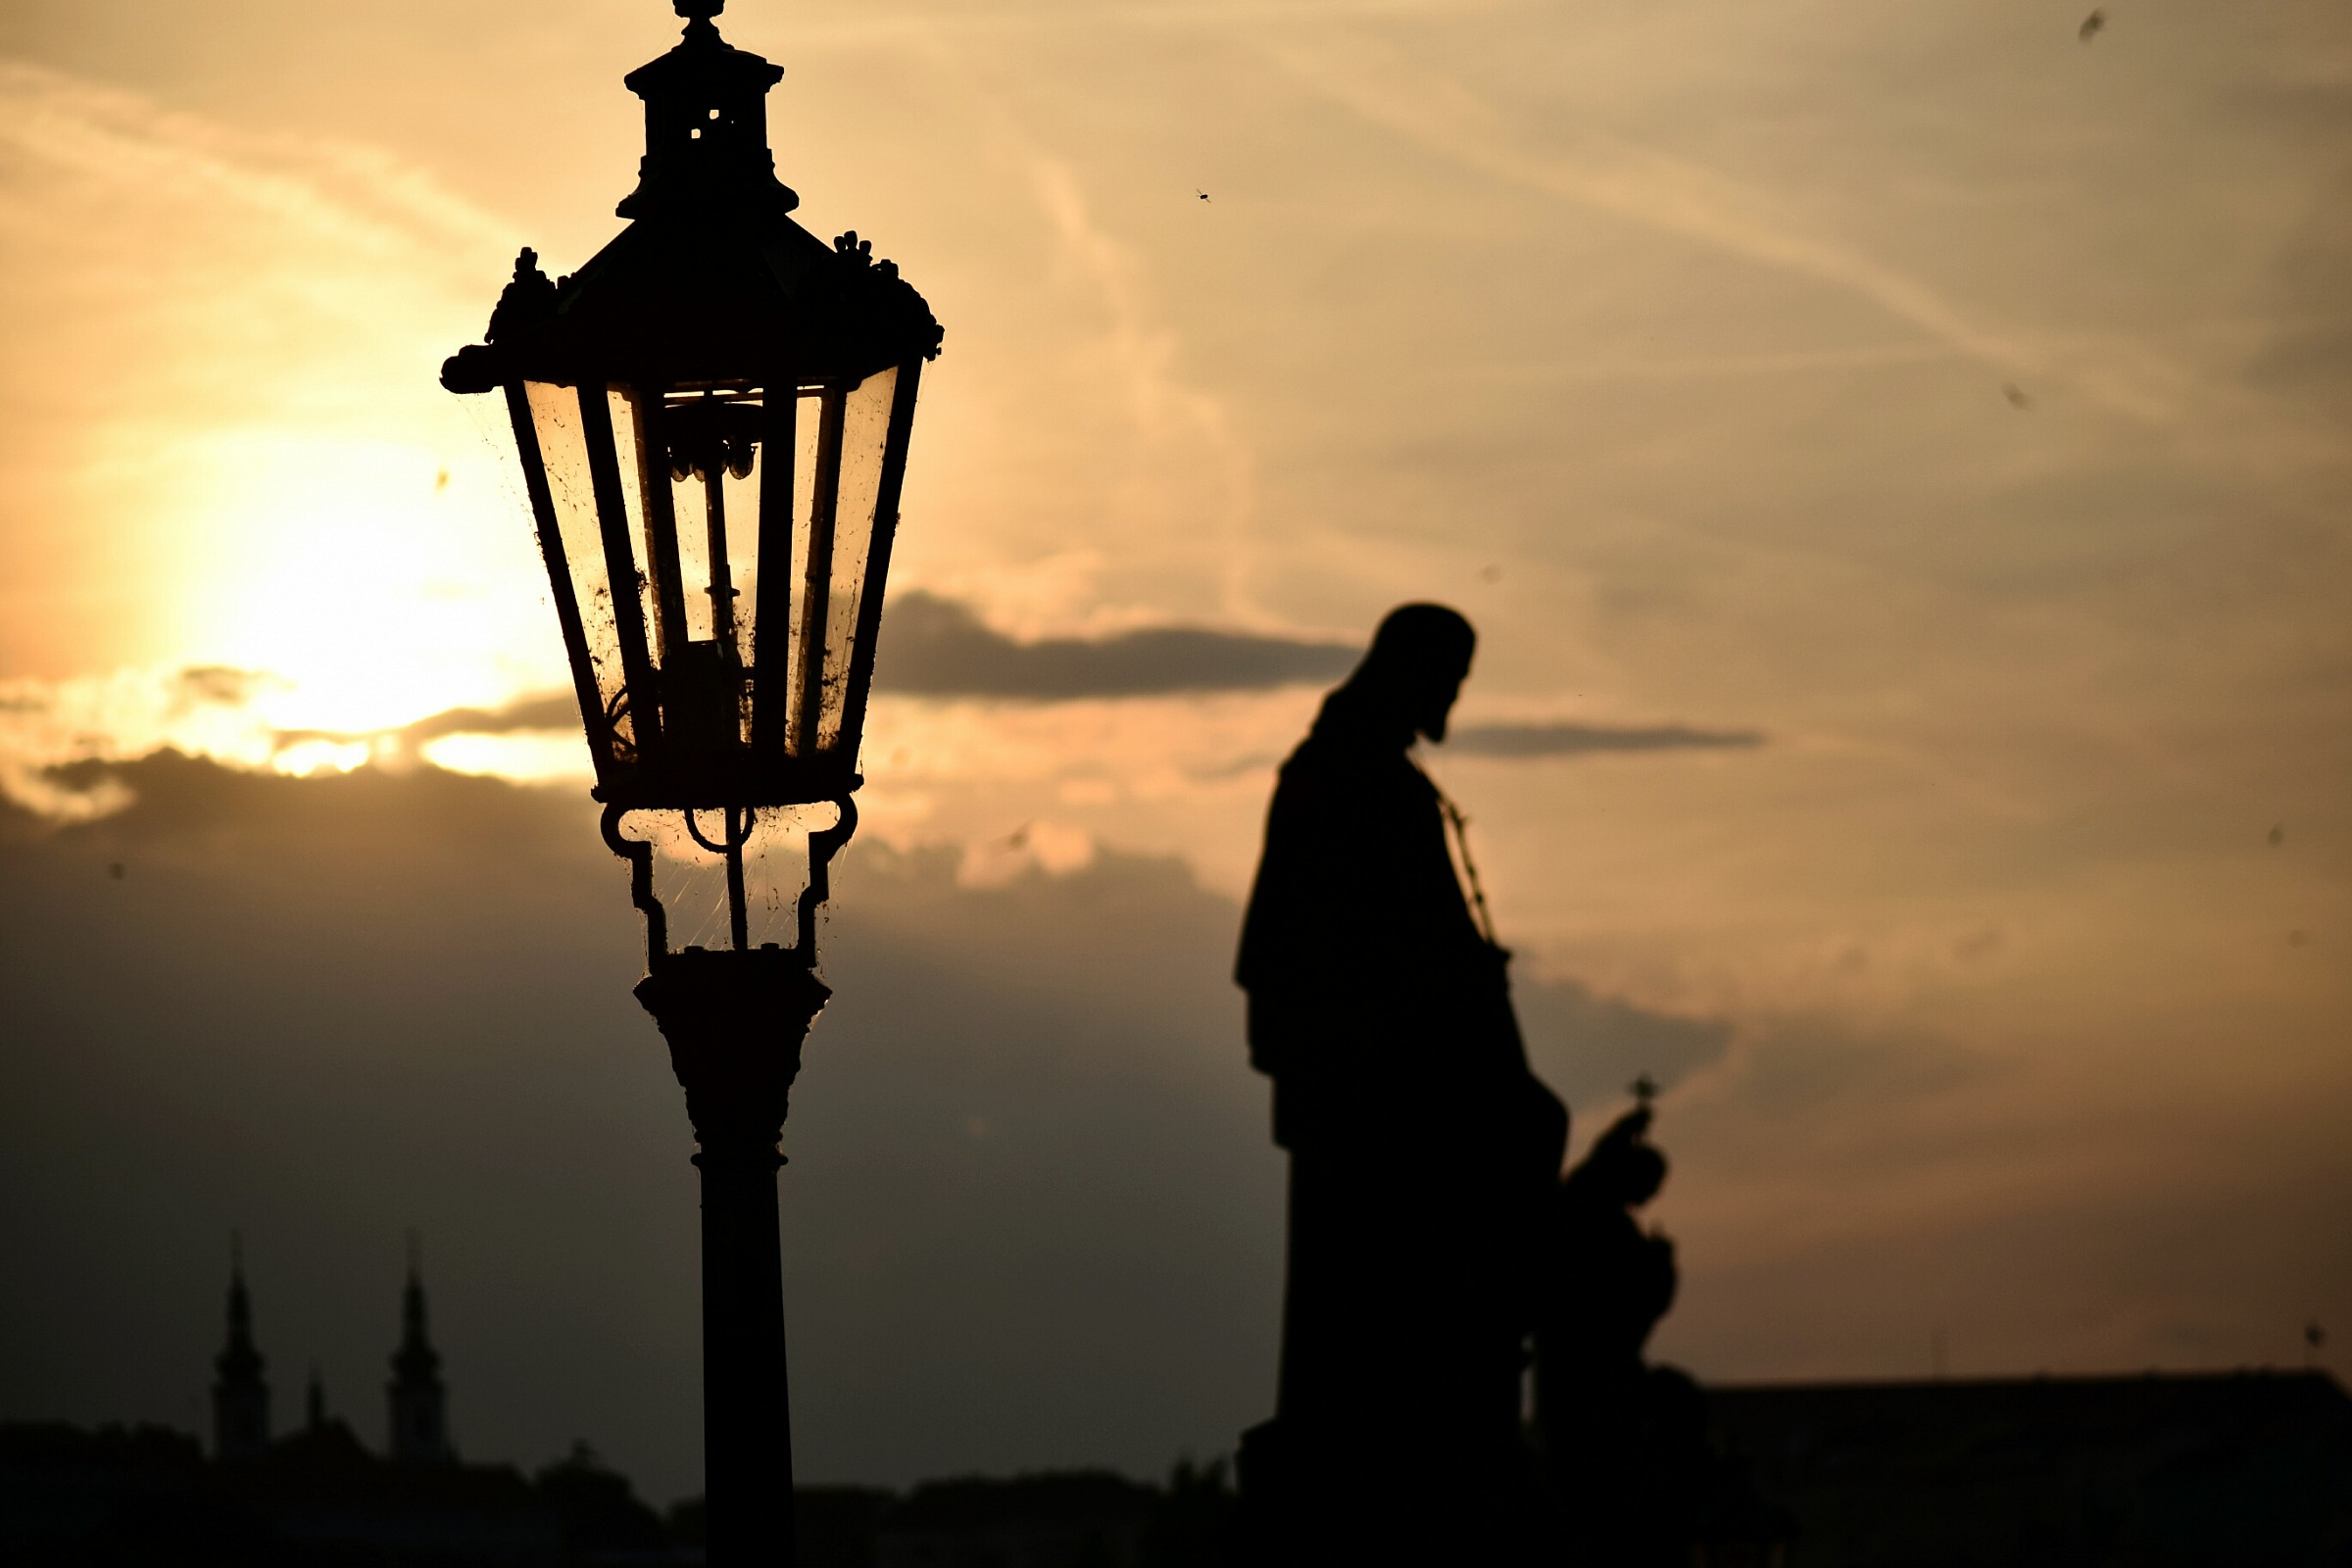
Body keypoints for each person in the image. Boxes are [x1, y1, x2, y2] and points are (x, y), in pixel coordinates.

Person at [1233, 603, 1567, 1560]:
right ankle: (1466, 1383)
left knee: (1529, 1126)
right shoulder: (1351, 780)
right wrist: (1461, 982)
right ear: (1410, 673)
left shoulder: (1367, 777)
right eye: (1448, 681)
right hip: (1383, 1087)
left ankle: (1474, 1368)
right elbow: (1342, 949)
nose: (1453, 699)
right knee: (1517, 1137)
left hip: (1399, 1069)